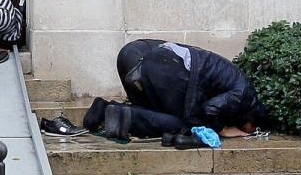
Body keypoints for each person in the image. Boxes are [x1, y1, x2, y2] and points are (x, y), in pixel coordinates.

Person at [83, 39, 269, 141]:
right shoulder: (244, 95)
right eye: (253, 129)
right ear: (252, 119)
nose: (251, 131)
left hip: (152, 58)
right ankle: (119, 116)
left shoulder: (241, 87)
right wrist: (224, 130)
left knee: (159, 113)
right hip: (168, 67)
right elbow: (210, 110)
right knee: (184, 124)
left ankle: (104, 109)